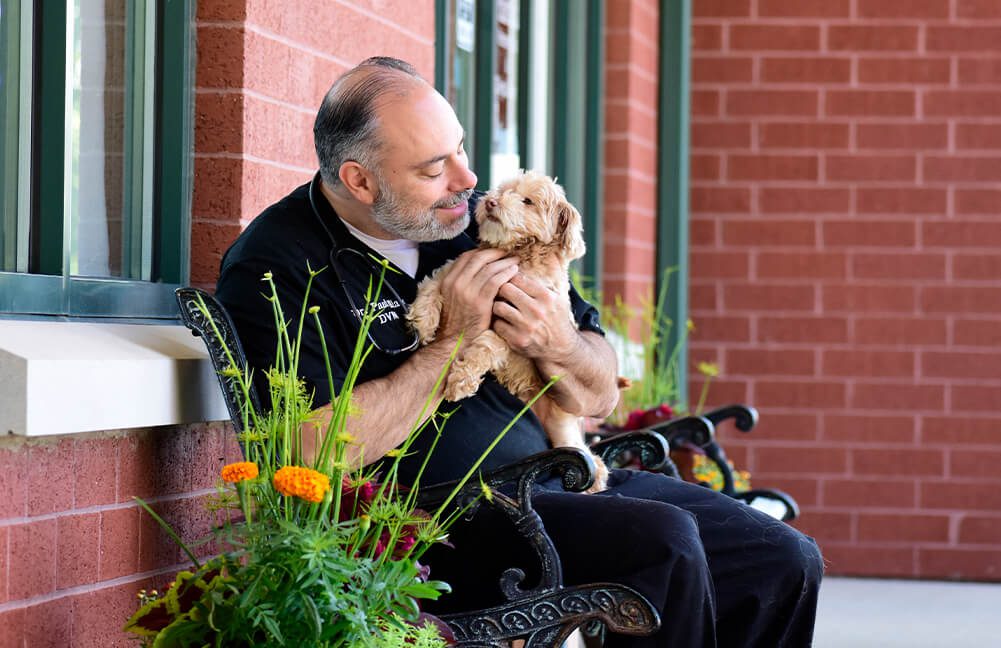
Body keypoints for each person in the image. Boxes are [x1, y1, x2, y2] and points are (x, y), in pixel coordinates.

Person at [215, 56, 823, 648]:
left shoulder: (467, 223)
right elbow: (307, 448)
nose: (466, 179)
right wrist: (450, 344)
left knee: (781, 558)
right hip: (435, 519)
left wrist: (556, 340)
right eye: (434, 168)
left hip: (560, 481)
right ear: (360, 180)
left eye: (461, 149)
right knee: (662, 543)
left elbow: (600, 390)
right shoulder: (280, 264)